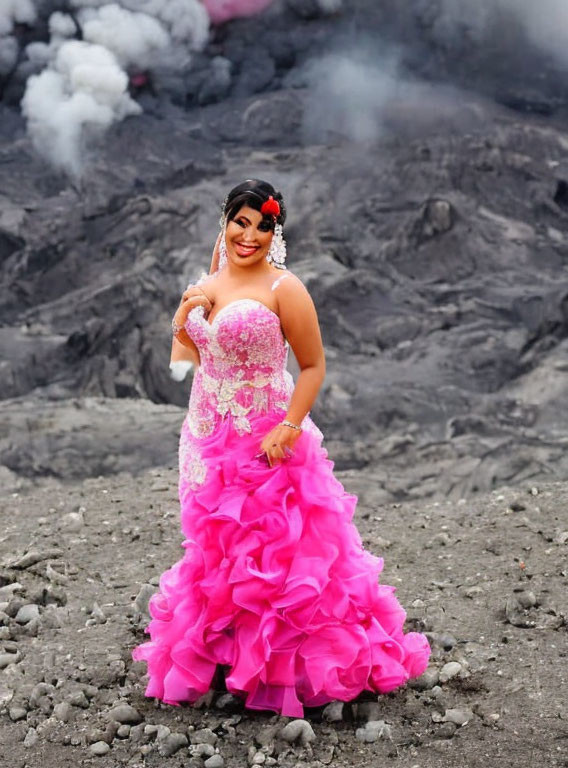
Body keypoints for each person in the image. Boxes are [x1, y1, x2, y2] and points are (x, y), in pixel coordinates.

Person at [131, 179, 431, 718]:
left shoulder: (283, 287)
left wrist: (289, 427)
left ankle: (294, 668)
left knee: (280, 554)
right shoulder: (208, 282)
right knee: (220, 550)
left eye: (263, 225)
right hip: (206, 437)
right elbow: (183, 364)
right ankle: (231, 663)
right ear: (225, 222)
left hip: (267, 437)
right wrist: (185, 313)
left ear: (276, 232)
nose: (250, 236)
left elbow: (313, 366)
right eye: (241, 222)